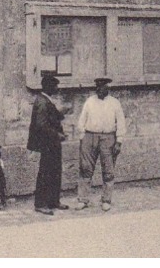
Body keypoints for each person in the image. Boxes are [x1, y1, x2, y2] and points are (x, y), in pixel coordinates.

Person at [75, 76, 126, 212]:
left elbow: (121, 122)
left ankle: (106, 199)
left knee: (108, 170)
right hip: (89, 136)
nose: (99, 89)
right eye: (97, 86)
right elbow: (81, 120)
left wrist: (119, 141)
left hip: (108, 138)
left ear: (107, 87)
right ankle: (83, 199)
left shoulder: (115, 103)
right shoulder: (89, 102)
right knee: (85, 169)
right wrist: (83, 137)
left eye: (102, 86)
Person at [27, 72, 70, 215]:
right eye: (55, 86)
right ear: (48, 87)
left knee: (55, 172)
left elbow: (50, 118)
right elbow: (41, 125)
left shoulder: (46, 100)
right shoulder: (41, 101)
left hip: (52, 143)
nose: (57, 89)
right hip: (47, 144)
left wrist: (60, 113)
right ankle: (40, 204)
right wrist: (57, 134)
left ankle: (53, 201)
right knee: (46, 173)